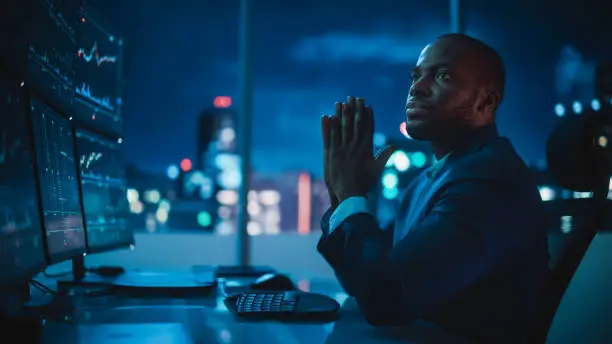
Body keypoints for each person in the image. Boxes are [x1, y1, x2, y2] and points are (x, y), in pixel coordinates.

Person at [318, 33, 551, 343]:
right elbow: (366, 278)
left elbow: (386, 299)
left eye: (443, 76)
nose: (417, 88)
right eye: (416, 76)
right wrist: (343, 192)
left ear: (487, 101)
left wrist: (350, 194)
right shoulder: (433, 179)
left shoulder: (489, 182)